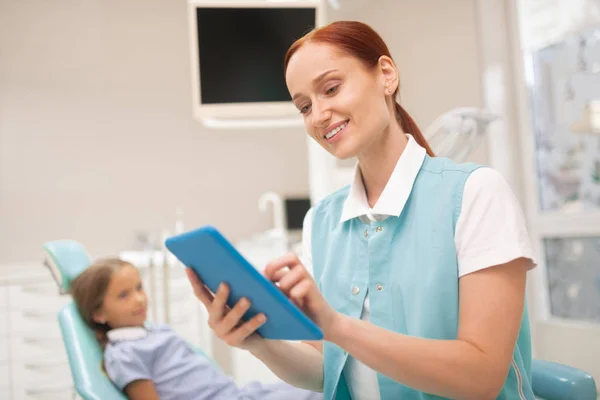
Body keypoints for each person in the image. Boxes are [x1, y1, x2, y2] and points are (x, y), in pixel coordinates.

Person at [186, 20, 537, 400]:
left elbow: (481, 377)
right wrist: (256, 342)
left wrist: (336, 326)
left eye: (331, 88)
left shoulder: (476, 194)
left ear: (386, 75)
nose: (319, 114)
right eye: (304, 106)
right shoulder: (321, 222)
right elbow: (327, 369)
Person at [69, 257, 323, 400]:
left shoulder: (155, 332)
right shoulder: (124, 354)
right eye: (123, 295)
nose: (139, 299)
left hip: (236, 393)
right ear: (98, 313)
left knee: (317, 391)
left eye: (138, 288)